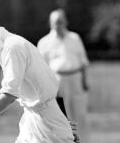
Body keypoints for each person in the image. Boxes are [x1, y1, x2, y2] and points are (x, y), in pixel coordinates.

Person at [0, 4, 77, 142]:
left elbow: (9, 95)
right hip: (32, 120)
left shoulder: (12, 47)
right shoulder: (6, 48)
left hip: (48, 125)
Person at [37, 9, 89, 142]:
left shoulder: (74, 38)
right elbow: (42, 69)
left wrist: (84, 81)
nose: (58, 25)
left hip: (75, 78)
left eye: (60, 22)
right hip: (57, 81)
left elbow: (83, 62)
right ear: (50, 23)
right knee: (62, 115)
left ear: (65, 22)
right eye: (55, 22)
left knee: (80, 113)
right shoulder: (44, 42)